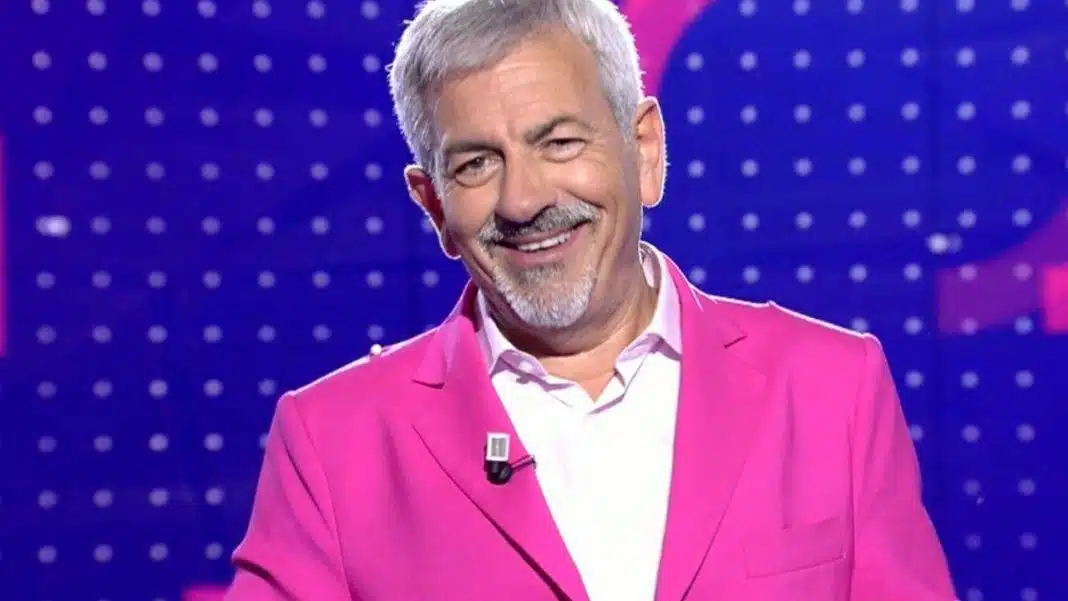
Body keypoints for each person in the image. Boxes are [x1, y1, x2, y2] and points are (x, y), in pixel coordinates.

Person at [225, 0, 958, 599]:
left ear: (645, 149)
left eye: (560, 144)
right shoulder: (334, 441)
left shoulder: (832, 388)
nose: (523, 199)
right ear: (434, 204)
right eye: (477, 163)